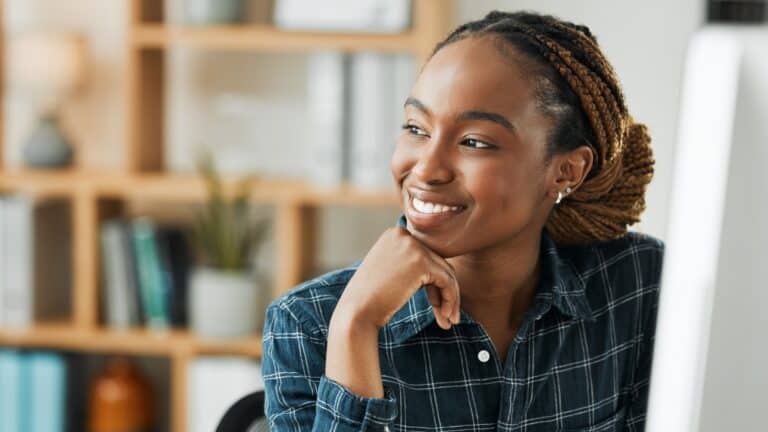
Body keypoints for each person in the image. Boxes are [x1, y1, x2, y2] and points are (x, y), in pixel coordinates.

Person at [262, 10, 664, 432]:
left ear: (566, 171)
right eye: (416, 129)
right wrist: (356, 328)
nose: (427, 169)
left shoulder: (637, 286)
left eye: (474, 141)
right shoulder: (309, 326)